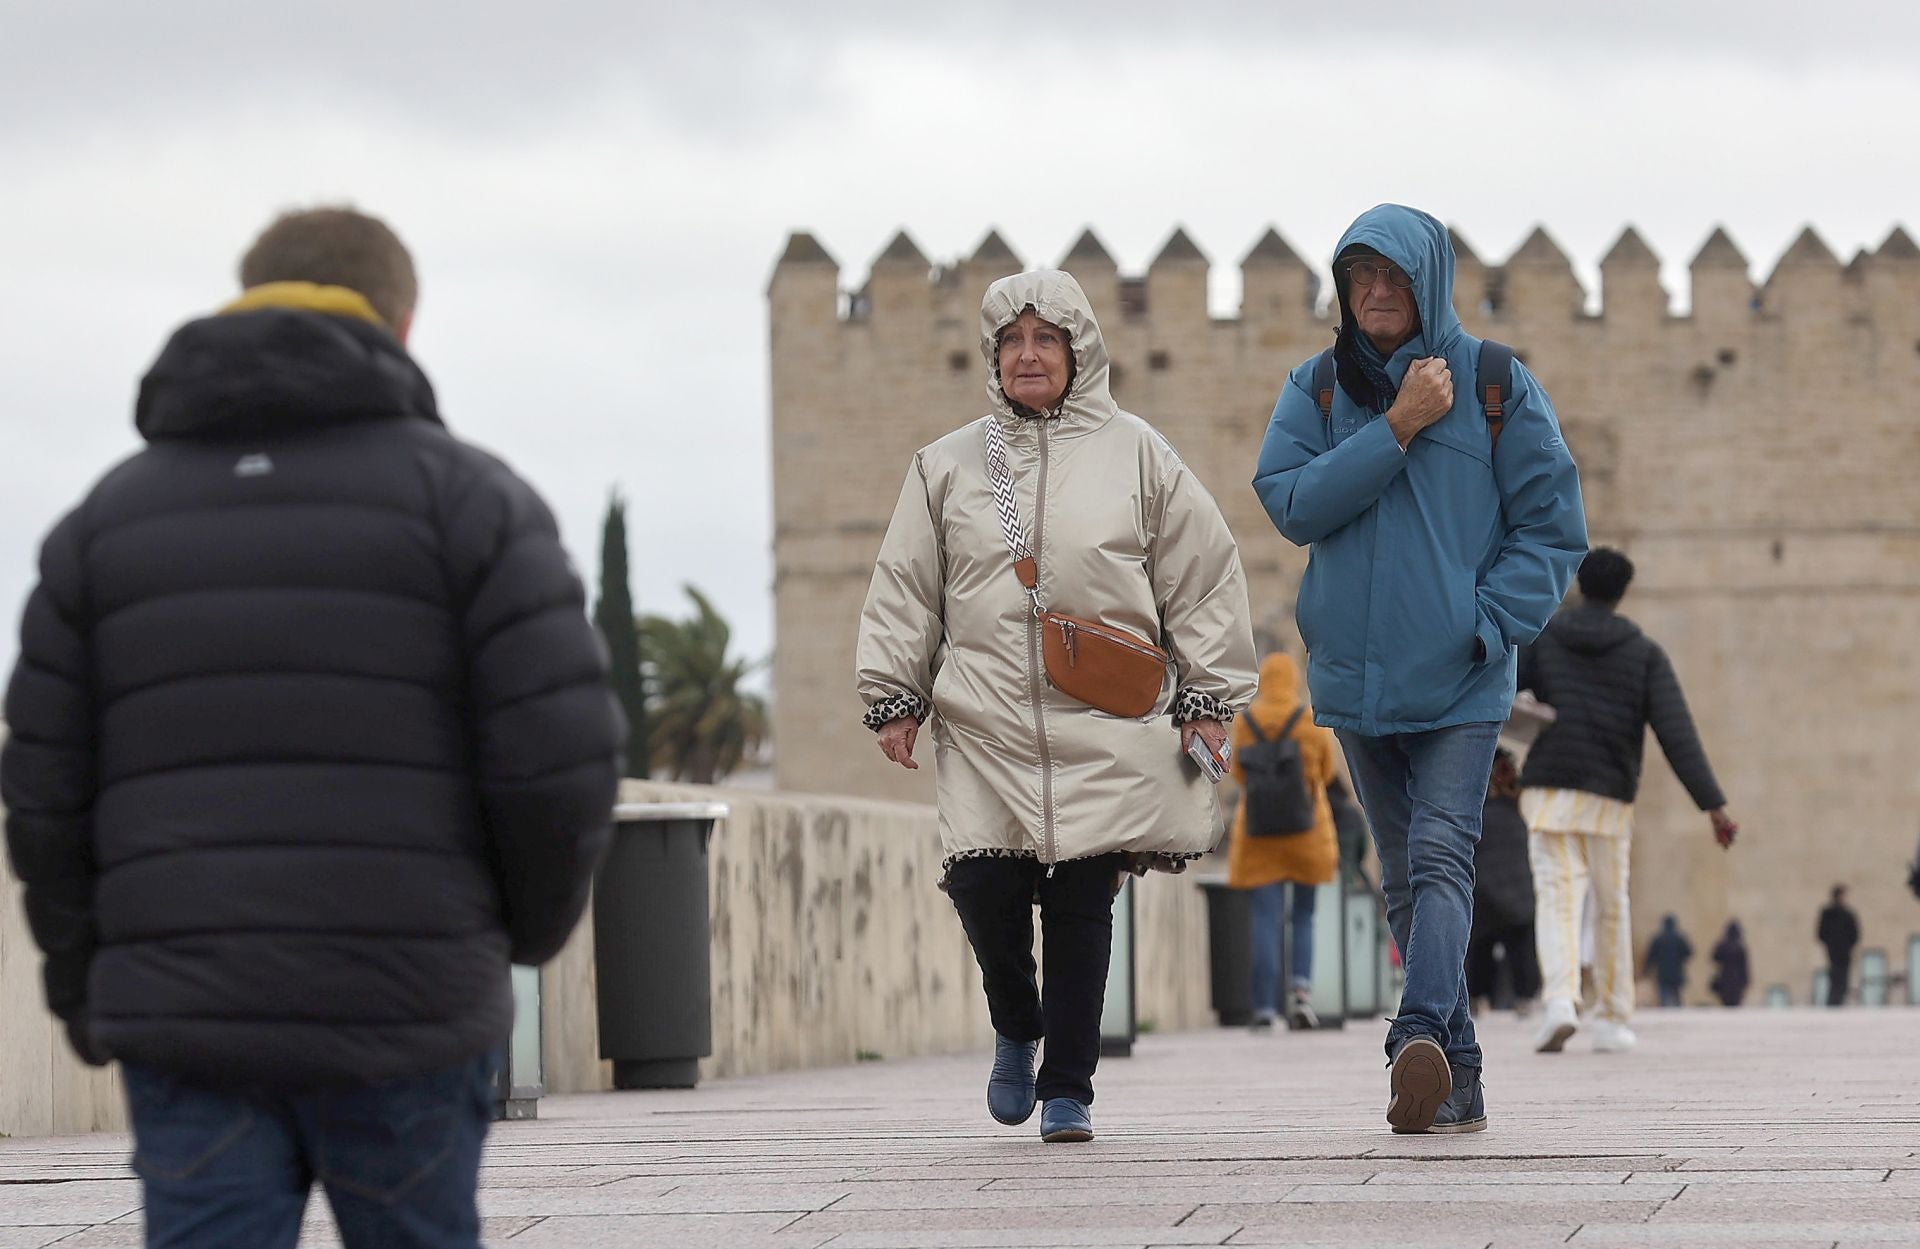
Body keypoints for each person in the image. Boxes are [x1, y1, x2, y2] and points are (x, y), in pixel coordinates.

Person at [0, 206, 625, 1249]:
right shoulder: (474, 504)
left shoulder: (102, 525)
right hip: (412, 1002)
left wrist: (92, 990)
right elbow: (560, 767)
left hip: (189, 1017)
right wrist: (506, 944)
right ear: (401, 325)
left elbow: (44, 792)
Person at [857, 270, 1256, 1144]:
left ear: (1080, 352)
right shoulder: (946, 464)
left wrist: (1208, 695)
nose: (1028, 355)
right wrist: (895, 693)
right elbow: (905, 586)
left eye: (1046, 339)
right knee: (981, 882)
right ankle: (1017, 1021)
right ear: (994, 357)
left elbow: (1203, 574)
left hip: (1106, 721)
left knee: (1082, 901)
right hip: (984, 720)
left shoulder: (1140, 453)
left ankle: (1069, 1084)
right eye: (1012, 340)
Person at [1253, 203, 1587, 1134]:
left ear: (1428, 281)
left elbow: (1553, 527)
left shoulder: (1493, 384)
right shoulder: (1317, 390)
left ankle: (1412, 1035)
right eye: (1359, 277)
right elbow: (1291, 504)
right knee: (1404, 876)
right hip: (1357, 680)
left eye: (1393, 277)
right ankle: (1459, 1073)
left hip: (1462, 675)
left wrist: (1488, 628)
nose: (1374, 293)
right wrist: (1395, 426)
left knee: (1444, 855)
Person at [1517, 546, 1736, 1054]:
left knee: (1556, 899)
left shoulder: (1544, 639)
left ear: (1581, 585)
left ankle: (1559, 1003)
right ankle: (1611, 1018)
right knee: (1611, 906)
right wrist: (1713, 806)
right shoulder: (1643, 653)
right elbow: (1677, 735)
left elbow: (1506, 697)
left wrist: (1501, 762)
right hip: (1609, 799)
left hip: (1548, 790)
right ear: (1621, 593)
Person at [1227, 652, 1340, 1031]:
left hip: (1259, 833)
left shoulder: (1246, 722)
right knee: (1304, 915)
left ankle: (1263, 1007)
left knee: (1265, 919)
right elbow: (1326, 770)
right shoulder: (1309, 720)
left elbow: (1238, 772)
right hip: (1306, 831)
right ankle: (1302, 995)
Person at [1467, 750, 1539, 1015]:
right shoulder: (1517, 813)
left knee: (1478, 946)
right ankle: (1525, 997)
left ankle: (1475, 997)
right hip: (1517, 891)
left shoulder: (1476, 815)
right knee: (1520, 942)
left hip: (1484, 890)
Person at [1817, 885, 1860, 1007]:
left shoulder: (1846, 914)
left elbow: (1855, 934)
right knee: (1837, 976)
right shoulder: (1831, 914)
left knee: (1841, 977)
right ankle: (1835, 1001)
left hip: (1842, 951)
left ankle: (1837, 1001)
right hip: (1836, 951)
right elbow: (1821, 933)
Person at [1643, 915, 1694, 1008]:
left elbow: (1651, 956)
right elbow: (1689, 953)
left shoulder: (1658, 939)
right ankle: (1677, 1015)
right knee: (1677, 997)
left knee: (1664, 998)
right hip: (1677, 972)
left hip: (1663, 973)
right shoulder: (1679, 938)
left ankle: (1665, 1014)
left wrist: (1646, 970)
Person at [1709, 920, 1750, 1007]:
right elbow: (1744, 966)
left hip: (1725, 978)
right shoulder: (1740, 947)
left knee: (1726, 1003)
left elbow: (1714, 958)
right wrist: (1745, 980)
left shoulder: (1723, 945)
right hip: (1737, 979)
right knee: (1735, 1003)